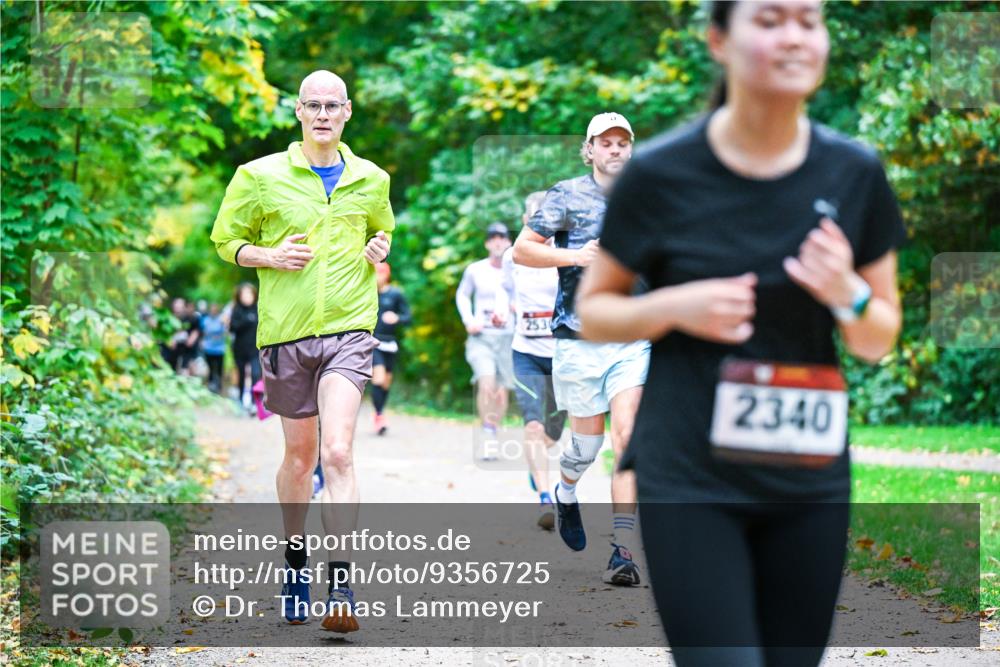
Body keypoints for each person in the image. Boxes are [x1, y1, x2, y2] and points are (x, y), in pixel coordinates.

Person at [576, 2, 906, 664]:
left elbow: (878, 337)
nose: (794, 37)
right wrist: (675, 305)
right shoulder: (661, 173)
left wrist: (848, 291)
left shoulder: (854, 172)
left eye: (809, 21)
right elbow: (594, 310)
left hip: (806, 474)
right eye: (771, 19)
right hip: (688, 470)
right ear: (720, 40)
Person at [210, 69, 393, 633]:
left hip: (349, 329)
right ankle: (294, 562)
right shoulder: (258, 175)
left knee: (338, 454)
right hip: (286, 333)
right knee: (299, 459)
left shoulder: (372, 179)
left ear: (347, 112)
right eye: (311, 104)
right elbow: (224, 242)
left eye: (331, 105)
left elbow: (382, 232)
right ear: (297, 111)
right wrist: (266, 257)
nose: (321, 114)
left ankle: (341, 583)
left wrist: (380, 246)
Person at [512, 113, 648, 586]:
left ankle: (622, 550)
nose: (614, 150)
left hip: (633, 338)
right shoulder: (566, 194)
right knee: (583, 450)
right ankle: (565, 491)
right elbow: (522, 249)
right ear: (589, 150)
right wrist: (575, 255)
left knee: (628, 439)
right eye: (604, 143)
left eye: (621, 142)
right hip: (577, 338)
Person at [495, 191, 566, 530]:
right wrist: (499, 307)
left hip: (564, 356)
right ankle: (544, 497)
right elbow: (503, 288)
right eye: (535, 219)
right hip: (525, 353)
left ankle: (535, 464)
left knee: (552, 433)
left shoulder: (566, 255)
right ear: (525, 222)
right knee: (533, 427)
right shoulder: (513, 256)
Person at [455, 223, 516, 451]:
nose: (498, 241)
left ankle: (493, 428)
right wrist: (469, 320)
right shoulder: (475, 270)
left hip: (508, 337)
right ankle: (488, 432)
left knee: (501, 390)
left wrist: (516, 308)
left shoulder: (516, 270)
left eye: (502, 237)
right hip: (481, 337)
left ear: (509, 242)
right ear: (487, 243)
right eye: (493, 237)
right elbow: (462, 295)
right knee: (486, 381)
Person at [371, 262, 411, 435]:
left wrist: (397, 318)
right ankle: (379, 416)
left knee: (386, 383)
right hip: (373, 342)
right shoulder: (368, 293)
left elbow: (408, 317)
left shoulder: (396, 294)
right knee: (378, 378)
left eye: (380, 273)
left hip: (390, 342)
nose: (377, 277)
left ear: (386, 274)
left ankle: (379, 412)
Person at [229, 283, 260, 410]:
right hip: (239, 348)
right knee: (241, 374)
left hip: (255, 348)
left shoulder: (258, 309)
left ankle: (254, 402)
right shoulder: (236, 310)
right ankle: (241, 399)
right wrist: (247, 320)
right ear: (239, 296)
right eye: (244, 294)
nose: (247, 297)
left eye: (249, 294)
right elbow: (232, 328)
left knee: (255, 374)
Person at [201, 302, 227, 393]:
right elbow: (203, 333)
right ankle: (211, 385)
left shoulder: (221, 319)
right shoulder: (205, 320)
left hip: (219, 349)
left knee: (219, 369)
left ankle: (219, 386)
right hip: (208, 349)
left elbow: (225, 332)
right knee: (211, 368)